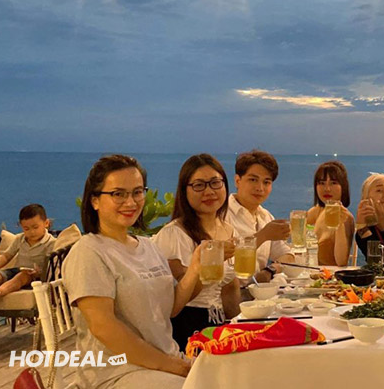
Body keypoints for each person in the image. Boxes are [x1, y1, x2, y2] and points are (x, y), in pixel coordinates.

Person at [63, 154, 201, 388]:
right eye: (118, 194)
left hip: (165, 362)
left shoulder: (148, 246)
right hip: (116, 373)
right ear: (95, 201)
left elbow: (170, 308)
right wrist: (171, 366)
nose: (131, 202)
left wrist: (197, 266)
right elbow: (103, 327)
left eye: (137, 192)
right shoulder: (89, 251)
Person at [153, 154, 241, 351]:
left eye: (215, 183)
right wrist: (212, 260)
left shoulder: (228, 230)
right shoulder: (174, 235)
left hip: (217, 323)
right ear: (184, 191)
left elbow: (229, 286)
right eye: (199, 185)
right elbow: (176, 302)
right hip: (187, 327)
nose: (209, 191)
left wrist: (239, 323)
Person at [226, 150, 293, 283]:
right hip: (231, 293)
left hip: (260, 292)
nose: (260, 188)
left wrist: (270, 270)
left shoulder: (265, 216)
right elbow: (222, 261)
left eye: (266, 182)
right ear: (237, 181)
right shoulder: (222, 214)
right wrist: (263, 236)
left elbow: (288, 255)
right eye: (253, 180)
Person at [0, 204, 55, 306]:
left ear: (46, 223)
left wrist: (38, 272)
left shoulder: (51, 243)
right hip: (17, 269)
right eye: (26, 229)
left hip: (34, 276)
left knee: (21, 277)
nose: (32, 232)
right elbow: (6, 256)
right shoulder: (19, 239)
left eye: (35, 227)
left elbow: (51, 266)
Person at [306, 161, 355, 266]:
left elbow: (341, 262)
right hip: (308, 271)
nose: (327, 189)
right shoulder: (316, 211)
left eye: (333, 183)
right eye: (321, 183)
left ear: (343, 187)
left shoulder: (346, 217)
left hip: (329, 275)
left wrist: (340, 226)